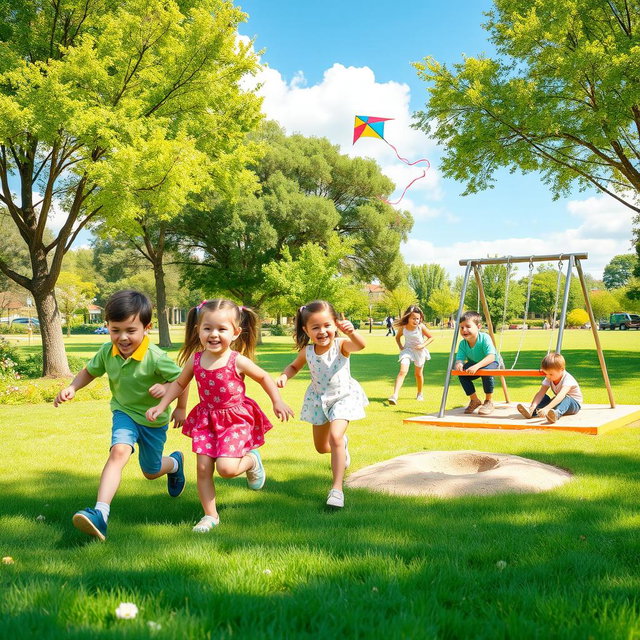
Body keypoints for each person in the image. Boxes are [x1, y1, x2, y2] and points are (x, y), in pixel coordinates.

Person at [146, 299, 293, 532]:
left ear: (235, 333)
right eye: (207, 328)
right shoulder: (195, 360)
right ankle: (210, 516)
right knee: (203, 469)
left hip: (234, 420)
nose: (214, 334)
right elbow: (179, 384)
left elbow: (264, 377)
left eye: (222, 329)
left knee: (226, 469)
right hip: (206, 420)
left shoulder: (237, 360)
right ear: (198, 330)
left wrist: (277, 401)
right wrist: (163, 405)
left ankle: (252, 460)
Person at [54, 290, 188, 541]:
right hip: (124, 412)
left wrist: (176, 403)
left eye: (130, 330)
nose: (122, 337)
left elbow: (181, 380)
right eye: (115, 330)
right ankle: (100, 514)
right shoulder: (108, 351)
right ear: (107, 326)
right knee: (118, 452)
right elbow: (89, 371)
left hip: (152, 419)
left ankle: (175, 463)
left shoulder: (156, 357)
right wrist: (72, 387)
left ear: (147, 328)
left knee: (151, 470)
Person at [276, 300, 367, 509]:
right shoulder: (307, 351)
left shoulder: (342, 345)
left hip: (343, 396)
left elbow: (360, 345)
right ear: (305, 329)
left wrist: (352, 333)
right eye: (315, 327)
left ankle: (336, 490)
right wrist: (284, 376)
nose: (322, 331)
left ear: (336, 324)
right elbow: (293, 366)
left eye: (327, 325)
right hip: (318, 400)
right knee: (322, 447)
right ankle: (342, 446)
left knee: (334, 436)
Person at [453, 311, 500, 415]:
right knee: (462, 373)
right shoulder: (463, 344)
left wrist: (477, 366)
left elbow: (491, 356)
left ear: (478, 326)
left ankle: (488, 401)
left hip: (491, 361)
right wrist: (459, 363)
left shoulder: (485, 338)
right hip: (474, 363)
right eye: (461, 327)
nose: (464, 330)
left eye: (468, 326)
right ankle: (474, 400)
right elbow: (460, 358)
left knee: (485, 372)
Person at [516, 352, 582, 423]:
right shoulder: (549, 378)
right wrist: (533, 405)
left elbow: (561, 396)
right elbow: (541, 393)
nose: (547, 376)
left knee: (566, 398)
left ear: (561, 370)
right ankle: (532, 411)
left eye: (551, 374)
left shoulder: (568, 379)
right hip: (559, 402)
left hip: (573, 404)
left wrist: (547, 408)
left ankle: (556, 414)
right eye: (545, 373)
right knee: (544, 397)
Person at [388, 305, 434, 405]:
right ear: (408, 318)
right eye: (413, 318)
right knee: (402, 371)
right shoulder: (403, 327)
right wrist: (401, 347)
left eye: (418, 318)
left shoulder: (421, 327)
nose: (416, 321)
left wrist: (422, 345)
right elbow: (397, 338)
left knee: (418, 374)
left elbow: (431, 337)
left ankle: (420, 393)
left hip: (419, 352)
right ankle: (394, 395)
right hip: (407, 351)